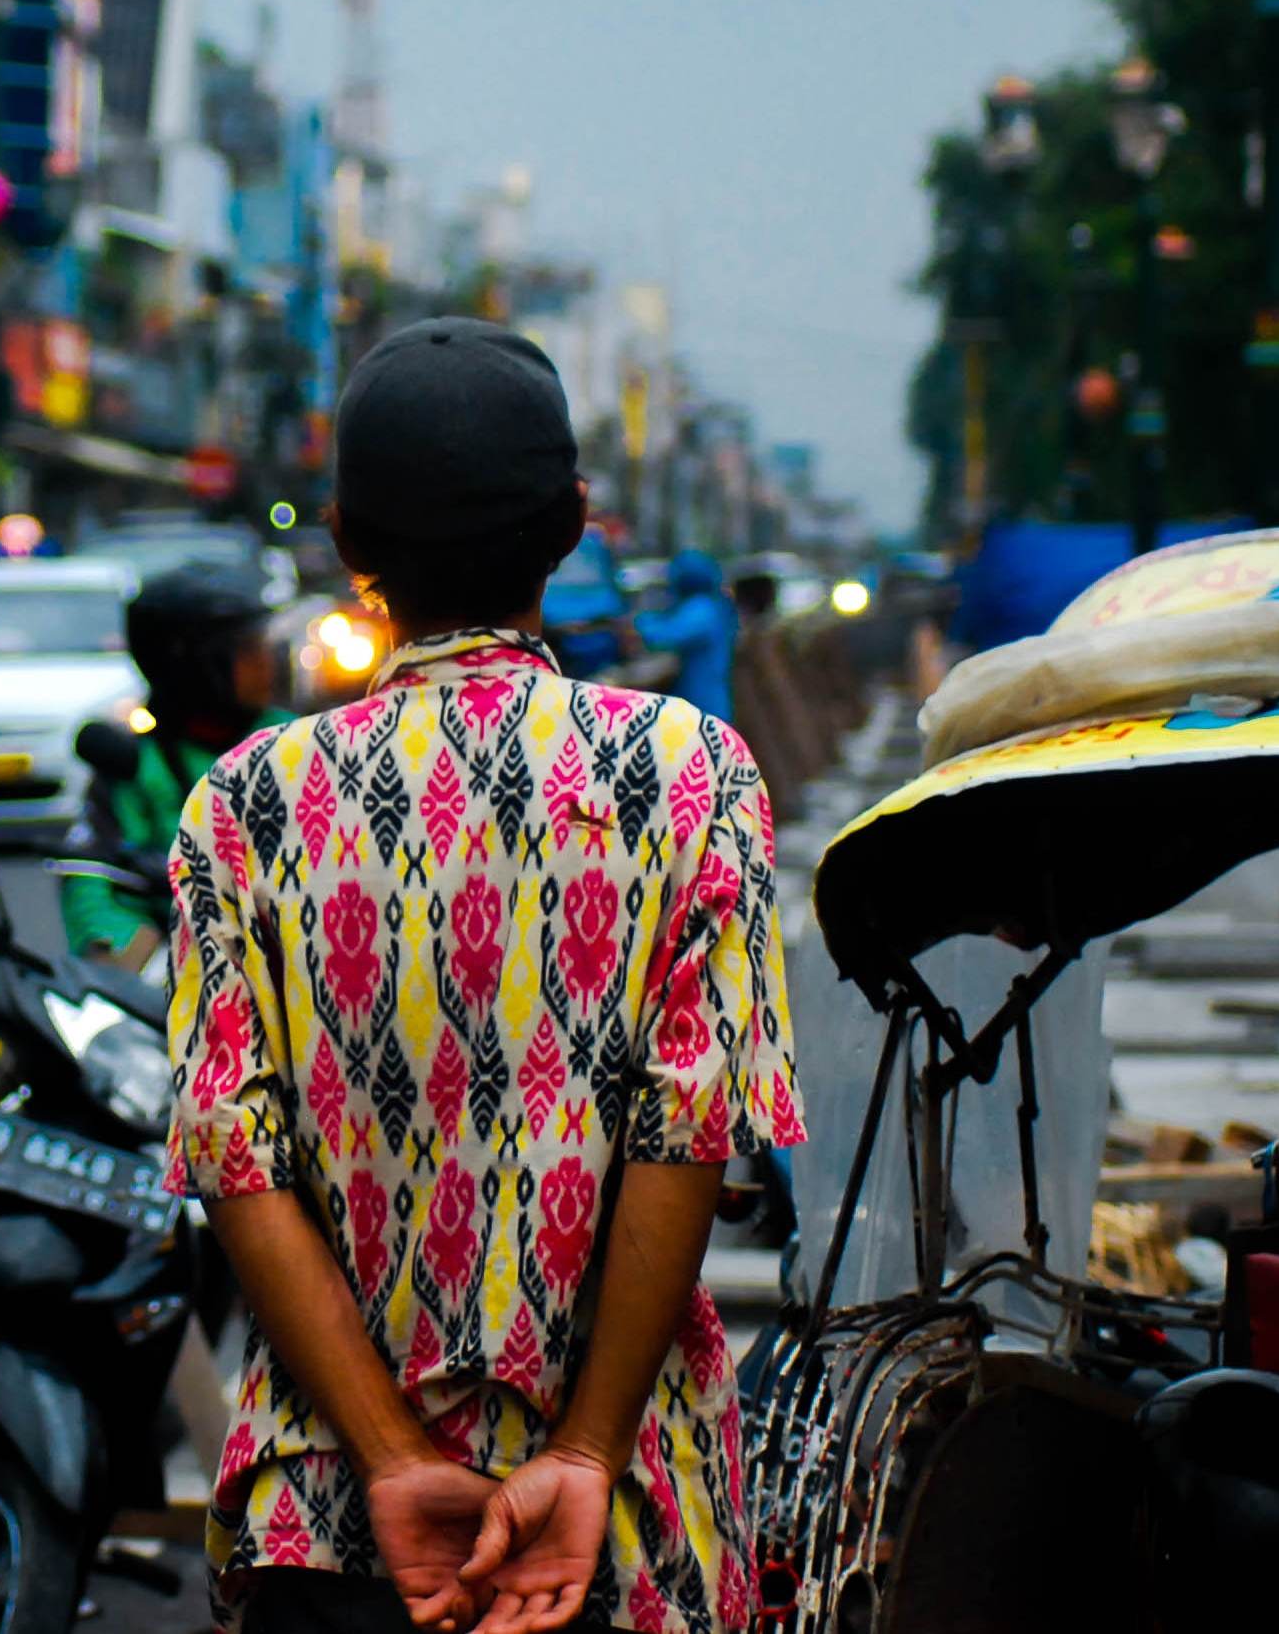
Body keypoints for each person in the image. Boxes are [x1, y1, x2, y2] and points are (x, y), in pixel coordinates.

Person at [166, 318, 803, 1634]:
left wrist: (398, 1458)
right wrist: (579, 1450)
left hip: (338, 1534)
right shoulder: (688, 777)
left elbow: (238, 1160)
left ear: (348, 542)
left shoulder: (243, 807)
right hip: (625, 1534)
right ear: (573, 525)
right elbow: (686, 1134)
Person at [60, 563, 287, 971]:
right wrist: (124, 955)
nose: (266, 662)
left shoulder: (295, 745)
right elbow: (89, 879)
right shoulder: (132, 763)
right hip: (166, 973)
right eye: (248, 649)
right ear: (195, 664)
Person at [631, 549, 739, 726]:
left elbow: (665, 634)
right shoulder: (713, 605)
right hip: (705, 700)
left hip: (703, 703)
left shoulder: (702, 609)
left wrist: (637, 625)